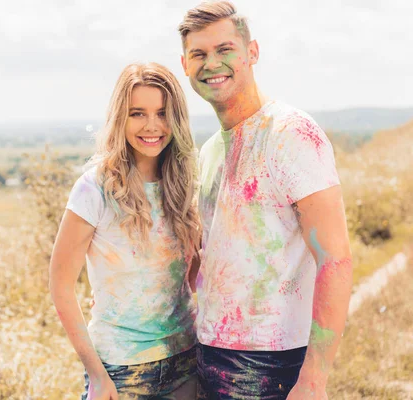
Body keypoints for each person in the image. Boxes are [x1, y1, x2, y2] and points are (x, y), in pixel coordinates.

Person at [178, 2, 353, 399]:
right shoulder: (208, 152)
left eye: (225, 49)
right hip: (208, 356)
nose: (212, 64)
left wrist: (314, 380)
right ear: (185, 65)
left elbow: (336, 258)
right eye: (199, 54)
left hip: (273, 364)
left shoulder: (292, 134)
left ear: (252, 52)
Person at [50, 62, 201, 400]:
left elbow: (191, 276)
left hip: (185, 362)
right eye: (137, 113)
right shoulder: (93, 189)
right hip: (120, 371)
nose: (152, 126)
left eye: (162, 113)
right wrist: (96, 374)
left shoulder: (183, 184)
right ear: (120, 117)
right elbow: (60, 286)